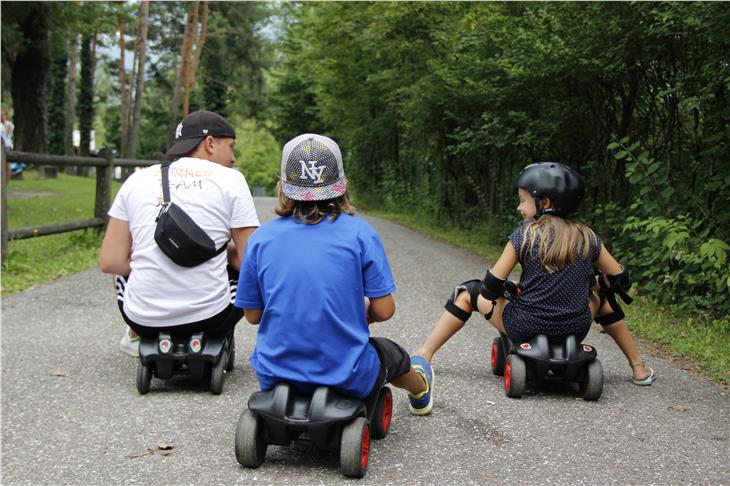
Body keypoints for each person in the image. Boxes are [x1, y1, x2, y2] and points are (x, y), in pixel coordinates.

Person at [409, 162, 655, 410]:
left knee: (466, 293)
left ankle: (425, 354)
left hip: (524, 326)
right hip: (575, 327)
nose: (519, 207)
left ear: (545, 203)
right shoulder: (588, 237)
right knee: (603, 301)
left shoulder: (524, 235)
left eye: (523, 201)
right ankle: (638, 367)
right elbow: (620, 279)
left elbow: (490, 285)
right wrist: (597, 284)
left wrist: (507, 290)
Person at [234, 133, 434, 415]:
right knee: (392, 354)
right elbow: (385, 310)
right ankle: (420, 389)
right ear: (342, 186)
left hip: (275, 373)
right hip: (346, 375)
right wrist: (365, 310)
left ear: (282, 186)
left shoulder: (261, 238)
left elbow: (253, 315)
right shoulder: (360, 233)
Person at [99, 110, 260, 356]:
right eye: (231, 147)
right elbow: (253, 260)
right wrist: (224, 254)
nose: (233, 159)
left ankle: (135, 335)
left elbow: (110, 261)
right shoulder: (232, 180)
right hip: (211, 318)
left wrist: (152, 260)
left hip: (143, 318)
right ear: (209, 143)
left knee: (121, 273)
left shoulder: (136, 180)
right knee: (244, 270)